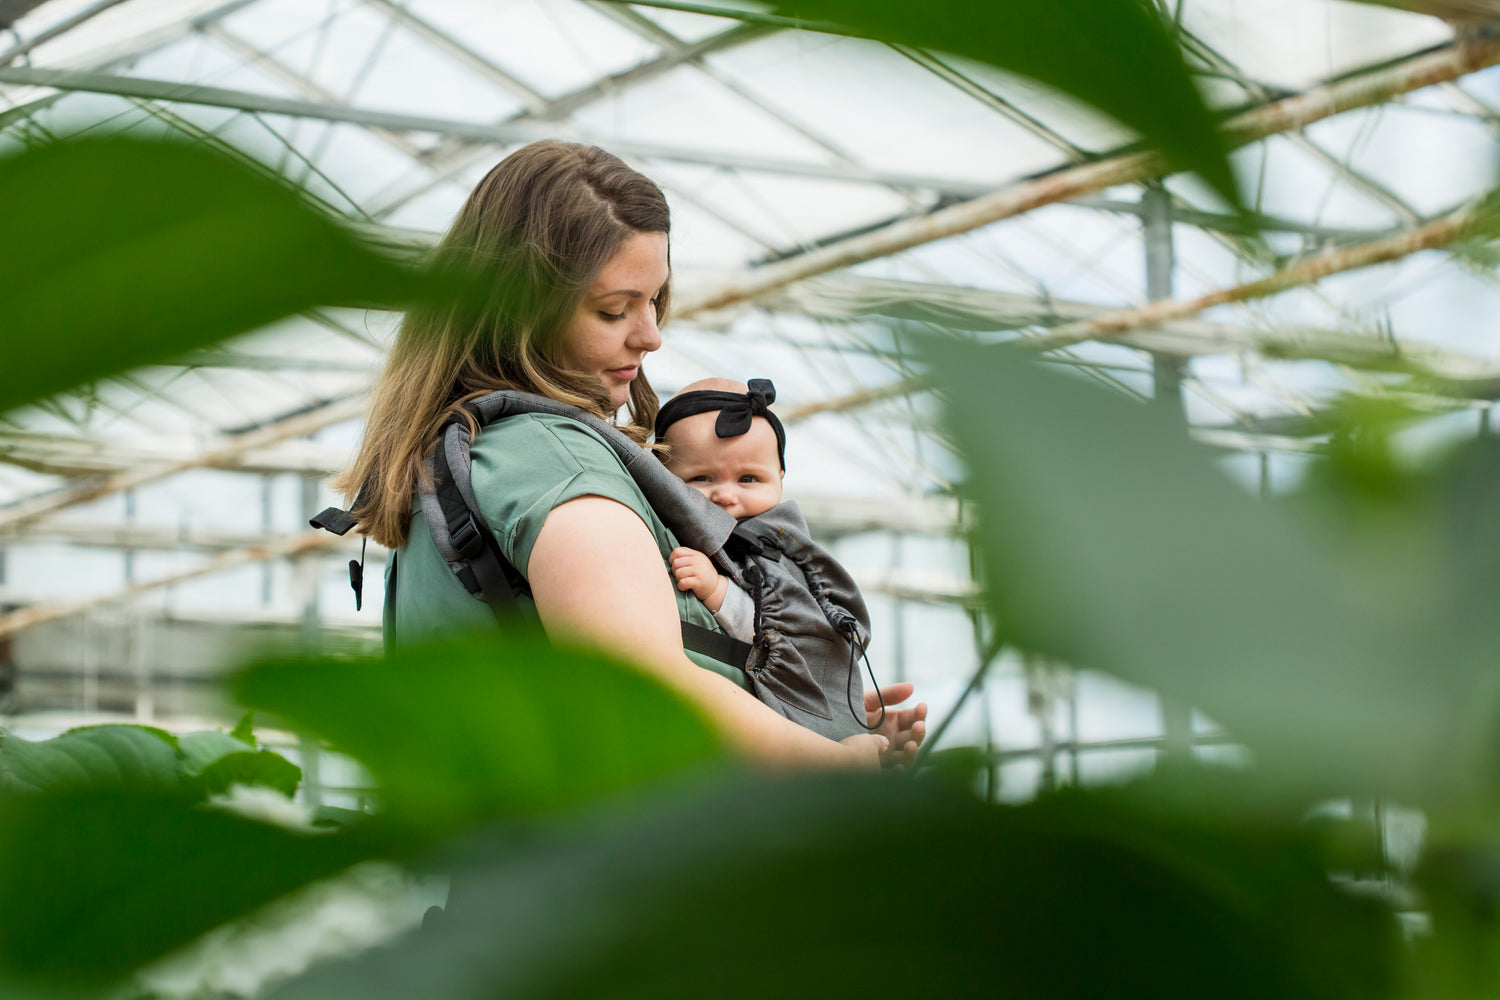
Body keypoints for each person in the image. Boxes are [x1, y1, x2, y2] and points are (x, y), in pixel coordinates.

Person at [335, 140, 925, 769]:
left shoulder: (469, 457)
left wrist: (806, 712)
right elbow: (645, 691)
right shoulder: (552, 460)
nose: (650, 335)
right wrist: (835, 764)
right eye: (613, 309)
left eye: (653, 300)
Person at [657, 377, 886, 742]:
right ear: (664, 480)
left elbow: (774, 637)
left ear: (779, 478)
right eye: (700, 478)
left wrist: (717, 590)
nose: (725, 495)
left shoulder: (773, 550)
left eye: (748, 478)